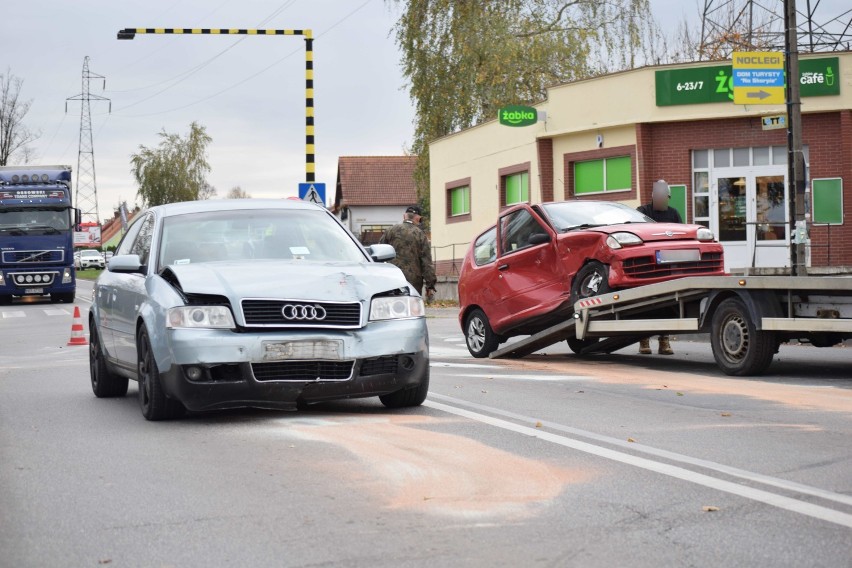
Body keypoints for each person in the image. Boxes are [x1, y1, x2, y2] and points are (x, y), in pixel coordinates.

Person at [637, 180, 681, 356]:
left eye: (665, 196)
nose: (662, 199)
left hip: (667, 266)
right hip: (647, 266)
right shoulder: (643, 212)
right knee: (644, 303)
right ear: (653, 196)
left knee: (666, 304)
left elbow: (680, 236)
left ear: (668, 197)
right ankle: (644, 340)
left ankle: (664, 340)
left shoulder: (674, 214)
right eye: (659, 196)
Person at [380, 205, 437, 301]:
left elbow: (379, 252)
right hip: (413, 283)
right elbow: (426, 262)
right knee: (412, 309)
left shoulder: (390, 231)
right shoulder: (420, 235)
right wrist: (430, 285)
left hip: (392, 278)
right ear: (418, 218)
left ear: (404, 216)